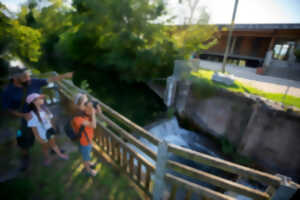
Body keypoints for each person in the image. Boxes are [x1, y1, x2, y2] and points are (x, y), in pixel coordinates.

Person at [1, 66, 73, 171]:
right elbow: (9, 109)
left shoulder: (33, 81)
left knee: (50, 132)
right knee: (23, 139)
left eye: (28, 75)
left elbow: (50, 79)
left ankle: (54, 149)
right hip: (26, 118)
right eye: (25, 77)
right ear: (15, 78)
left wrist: (65, 75)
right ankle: (25, 158)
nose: (29, 78)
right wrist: (23, 115)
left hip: (43, 114)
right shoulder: (8, 91)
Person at [26, 93, 68, 165]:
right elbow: (34, 128)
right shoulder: (31, 114)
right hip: (42, 134)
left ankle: (60, 154)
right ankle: (48, 158)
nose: (42, 99)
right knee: (45, 147)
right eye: (40, 98)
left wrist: (53, 127)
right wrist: (37, 137)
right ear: (34, 102)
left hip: (49, 131)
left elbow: (50, 120)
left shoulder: (45, 109)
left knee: (53, 144)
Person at [72, 100, 97, 176]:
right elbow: (93, 125)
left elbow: (98, 111)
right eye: (85, 104)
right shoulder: (77, 118)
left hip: (88, 139)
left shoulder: (84, 113)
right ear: (79, 106)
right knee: (85, 157)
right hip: (84, 141)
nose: (87, 107)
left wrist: (95, 107)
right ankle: (88, 170)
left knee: (87, 154)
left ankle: (89, 162)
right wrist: (93, 113)